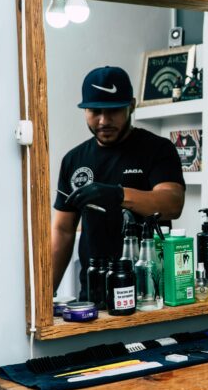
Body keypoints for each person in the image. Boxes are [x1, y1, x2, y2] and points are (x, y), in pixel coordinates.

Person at [52, 66, 185, 297]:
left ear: (131, 106)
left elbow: (172, 203)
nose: (104, 120)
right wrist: (45, 295)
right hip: (93, 290)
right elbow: (63, 230)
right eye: (95, 111)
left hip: (148, 291)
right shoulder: (74, 160)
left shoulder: (158, 149)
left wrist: (118, 195)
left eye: (113, 110)